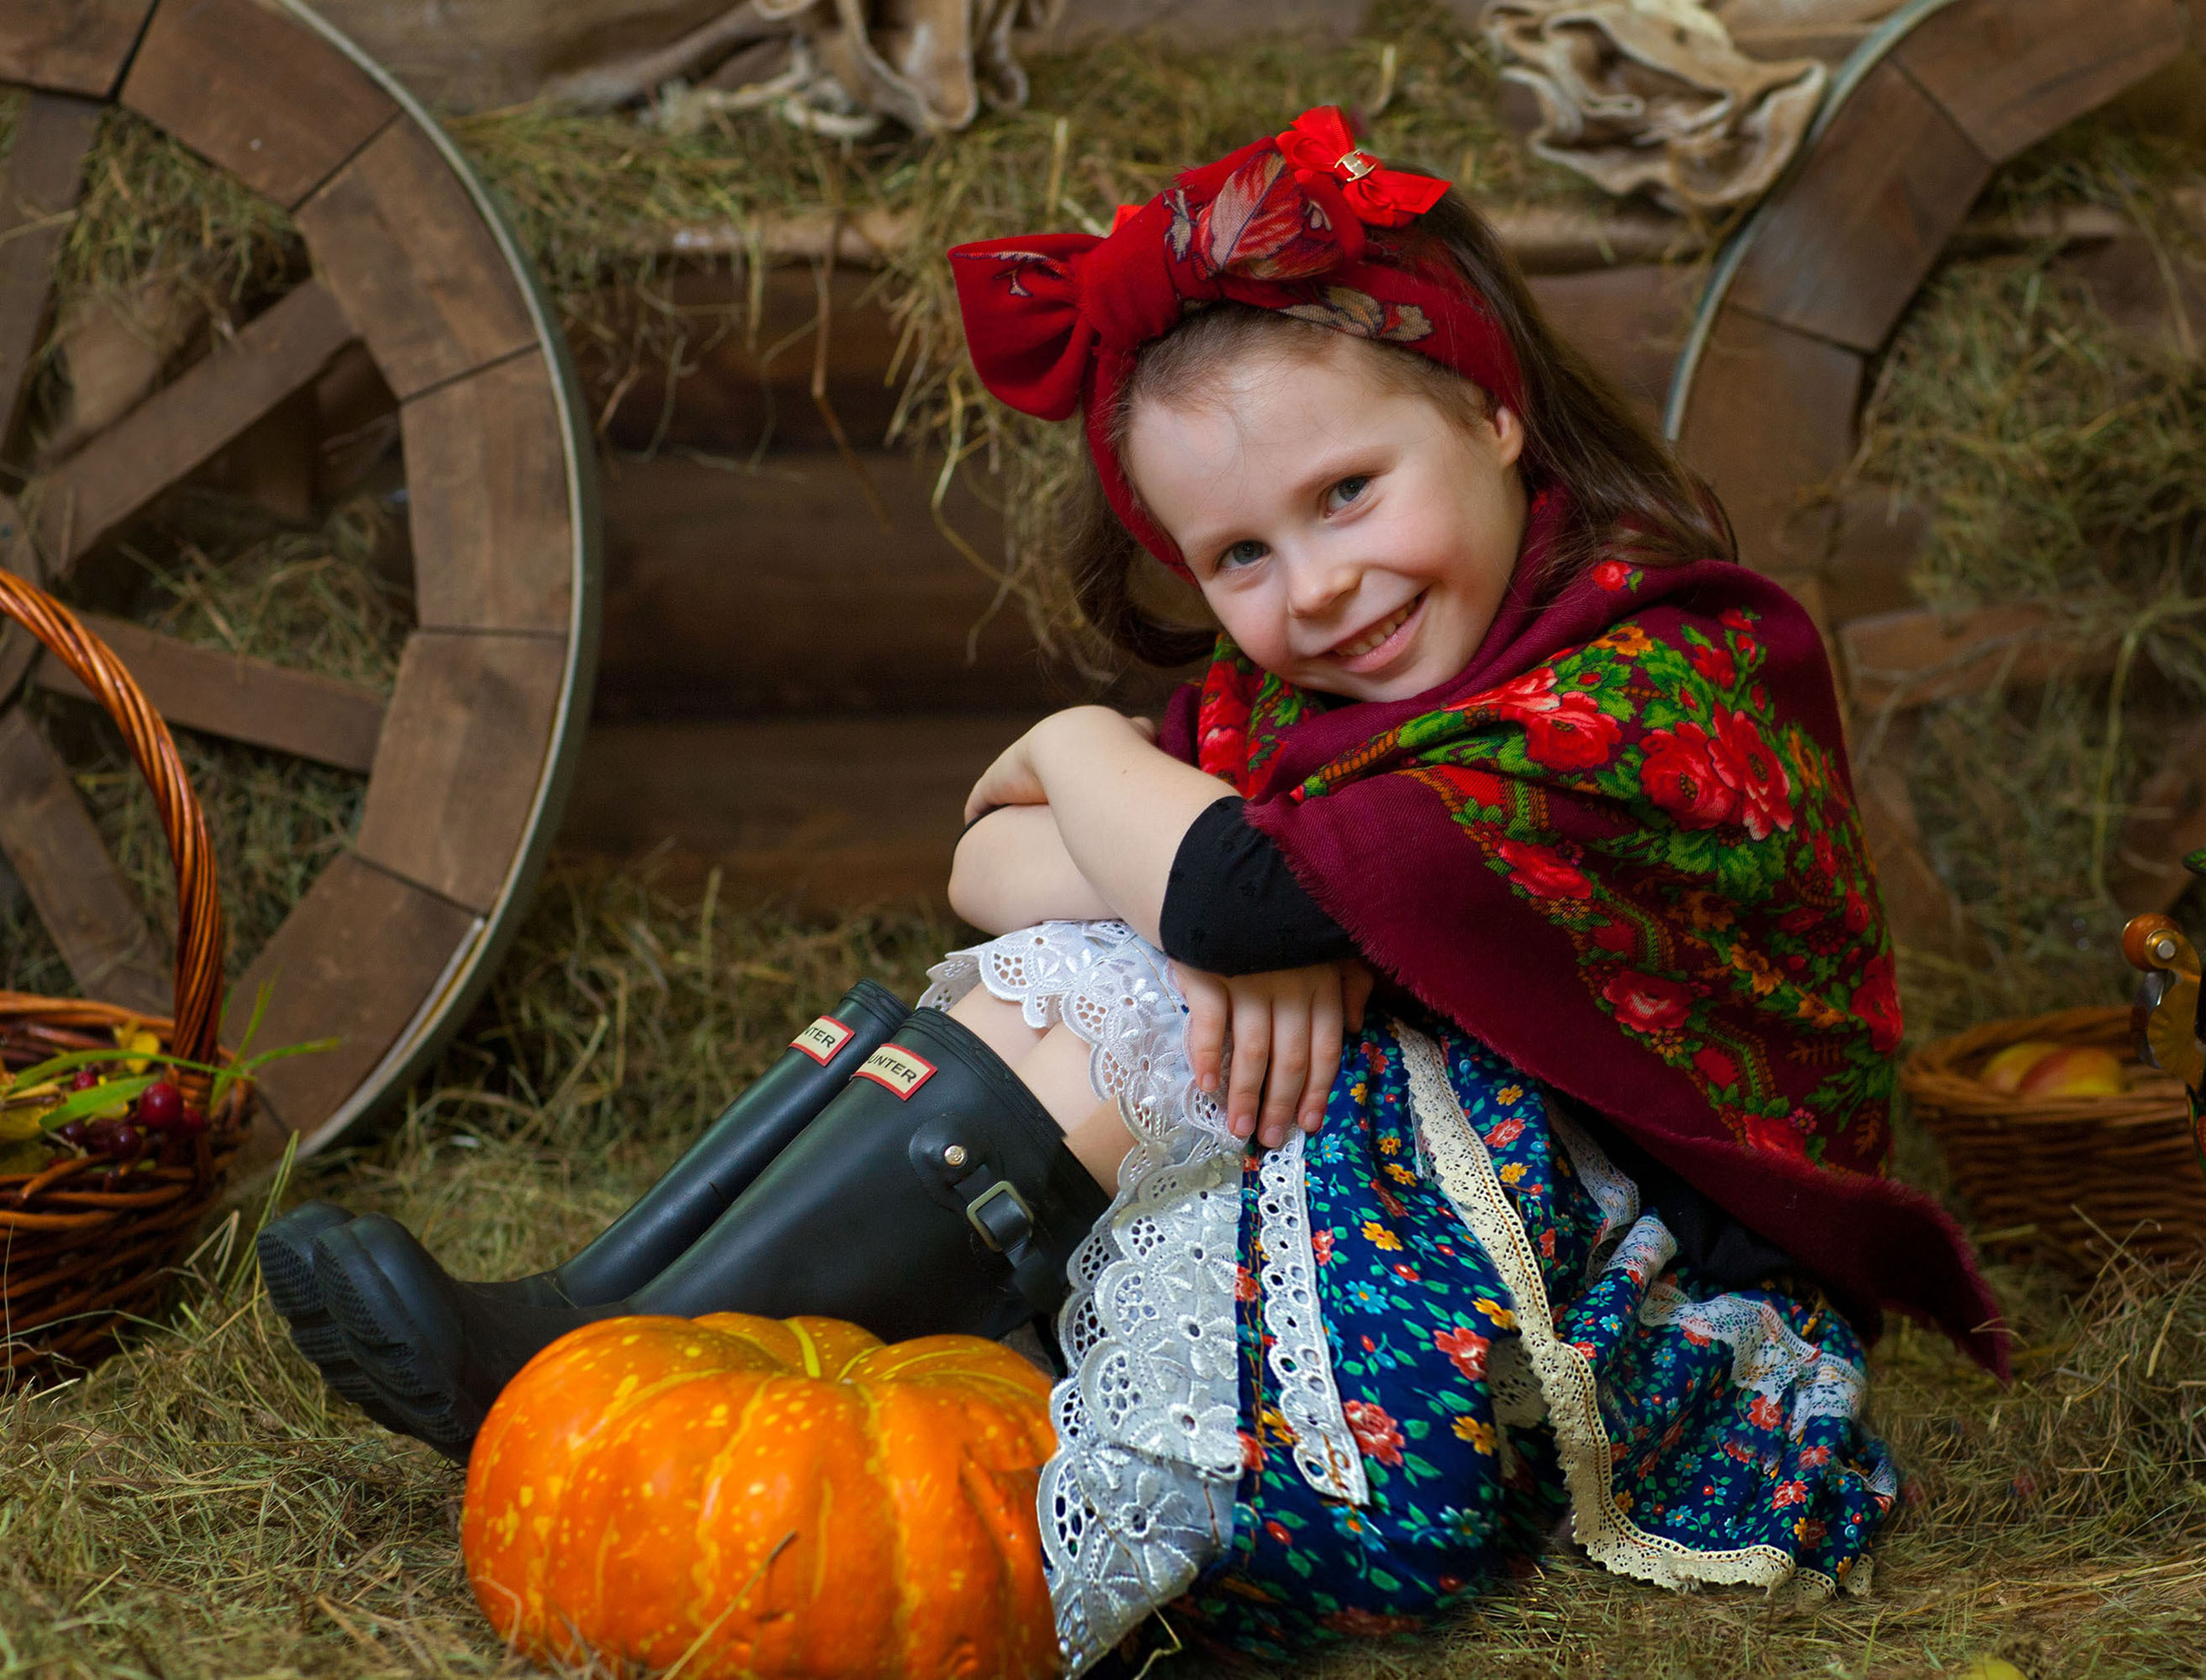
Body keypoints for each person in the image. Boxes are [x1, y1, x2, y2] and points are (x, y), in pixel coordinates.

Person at [264, 107, 2002, 1673]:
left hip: (1642, 1292)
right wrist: (1197, 891)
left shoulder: (1647, 674)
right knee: (1125, 944)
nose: (1319, 589)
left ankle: (622, 1349)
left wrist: (1082, 745)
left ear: (1493, 410)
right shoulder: (1314, 713)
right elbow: (990, 872)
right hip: (1426, 1178)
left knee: (1159, 943)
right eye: (1242, 555)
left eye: (1349, 494)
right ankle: (606, 1325)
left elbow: (1210, 888)